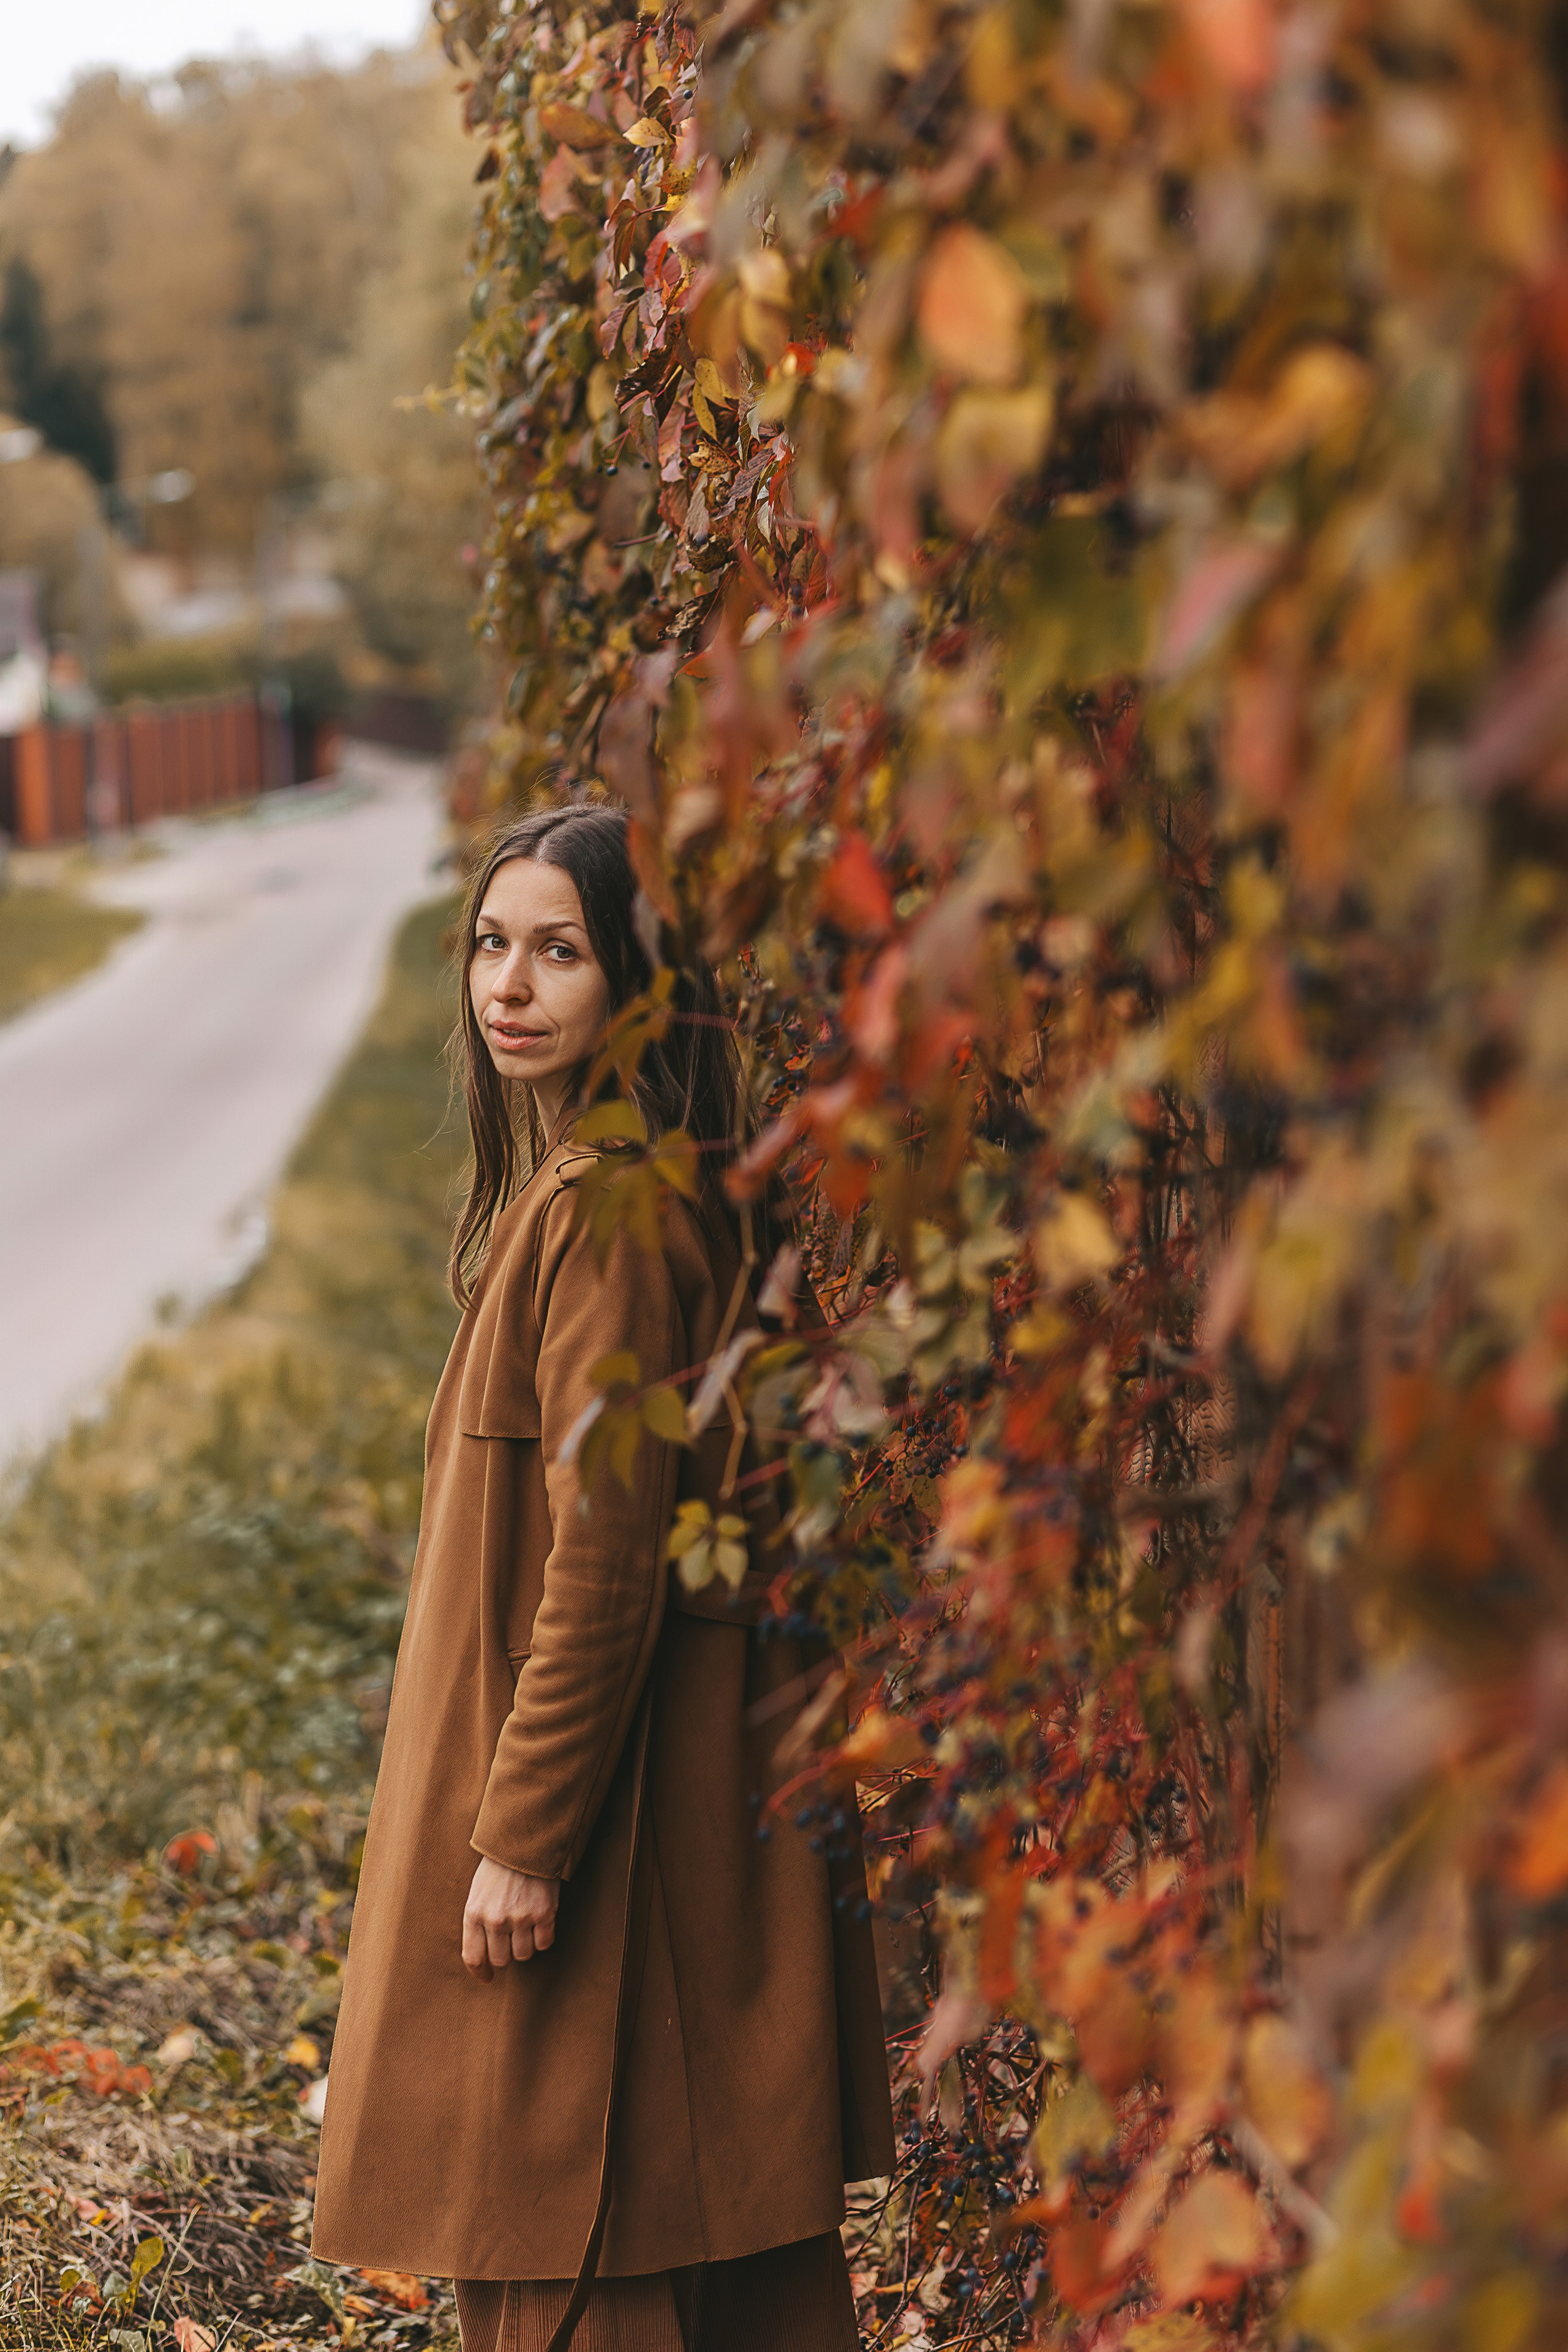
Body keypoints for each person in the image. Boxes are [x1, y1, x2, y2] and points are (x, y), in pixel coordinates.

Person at [312, 804, 894, 2351]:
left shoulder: (610, 1211)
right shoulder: (641, 1181)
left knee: (570, 2242)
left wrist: (523, 1836)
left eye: (558, 951)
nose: (508, 985)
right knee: (714, 2258)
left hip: (612, 1828)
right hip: (666, 1814)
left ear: (640, 980)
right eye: (492, 946)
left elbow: (607, 1554)